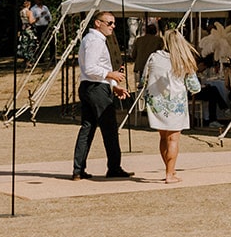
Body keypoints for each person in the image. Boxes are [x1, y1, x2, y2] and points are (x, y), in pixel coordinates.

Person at [72, 11, 132, 180]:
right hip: (95, 88)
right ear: (98, 23)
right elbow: (91, 68)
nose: (113, 26)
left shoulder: (92, 40)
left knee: (88, 127)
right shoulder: (95, 41)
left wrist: (114, 86)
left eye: (114, 23)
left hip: (91, 86)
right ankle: (114, 167)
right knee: (109, 128)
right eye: (109, 23)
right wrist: (111, 74)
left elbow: (93, 68)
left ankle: (78, 169)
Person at [143, 29, 197, 183]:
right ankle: (169, 173)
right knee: (173, 139)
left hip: (157, 103)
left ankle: (169, 170)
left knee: (163, 137)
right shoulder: (183, 59)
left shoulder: (154, 57)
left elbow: (143, 79)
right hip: (176, 102)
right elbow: (194, 86)